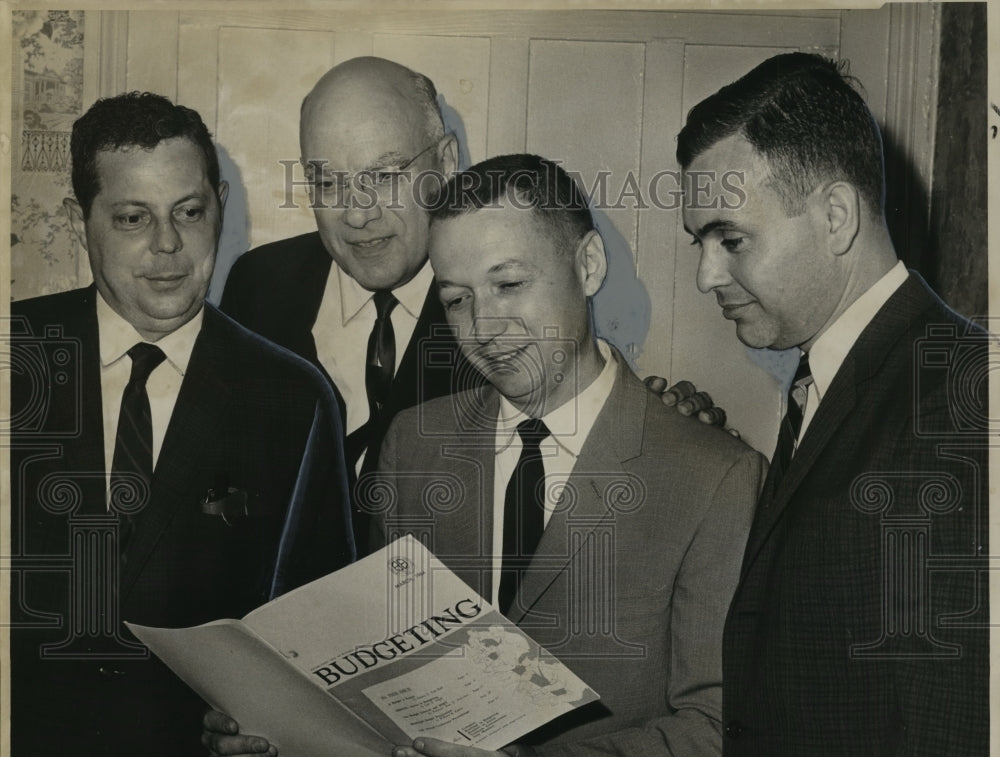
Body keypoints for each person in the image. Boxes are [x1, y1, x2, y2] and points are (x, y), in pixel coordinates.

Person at [204, 154, 766, 757]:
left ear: (588, 266)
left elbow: (719, 738)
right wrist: (272, 738)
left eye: (509, 284)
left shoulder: (714, 475)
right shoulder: (414, 446)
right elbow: (376, 696)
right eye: (457, 299)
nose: (484, 328)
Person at [220, 56, 723, 554]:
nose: (357, 213)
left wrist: (673, 423)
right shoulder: (260, 285)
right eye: (328, 182)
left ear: (444, 162)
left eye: (386, 175)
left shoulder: (503, 311)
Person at [8, 92, 354, 757]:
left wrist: (268, 736)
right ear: (81, 222)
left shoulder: (293, 397)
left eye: (189, 212)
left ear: (220, 205)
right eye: (133, 218)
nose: (168, 246)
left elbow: (324, 644)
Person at [677, 52, 989, 757]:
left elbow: (951, 741)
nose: (705, 276)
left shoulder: (960, 399)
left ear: (836, 216)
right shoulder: (844, 377)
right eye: (700, 243)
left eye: (731, 238)